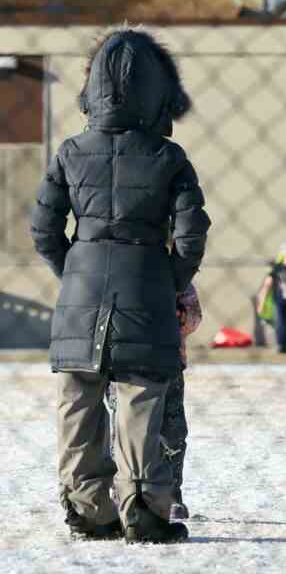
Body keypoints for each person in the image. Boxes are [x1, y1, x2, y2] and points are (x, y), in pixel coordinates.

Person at [30, 29, 210, 543]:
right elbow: (192, 232)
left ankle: (89, 509)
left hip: (79, 291)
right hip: (146, 290)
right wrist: (168, 280)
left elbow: (43, 230)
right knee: (140, 401)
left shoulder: (69, 152)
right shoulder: (167, 158)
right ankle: (144, 509)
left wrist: (75, 273)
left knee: (78, 400)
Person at [107, 280, 201, 521]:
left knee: (173, 432)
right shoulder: (118, 270)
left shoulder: (177, 278)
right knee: (124, 431)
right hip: (124, 364)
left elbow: (194, 318)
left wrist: (178, 315)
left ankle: (171, 494)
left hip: (168, 363)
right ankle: (122, 491)